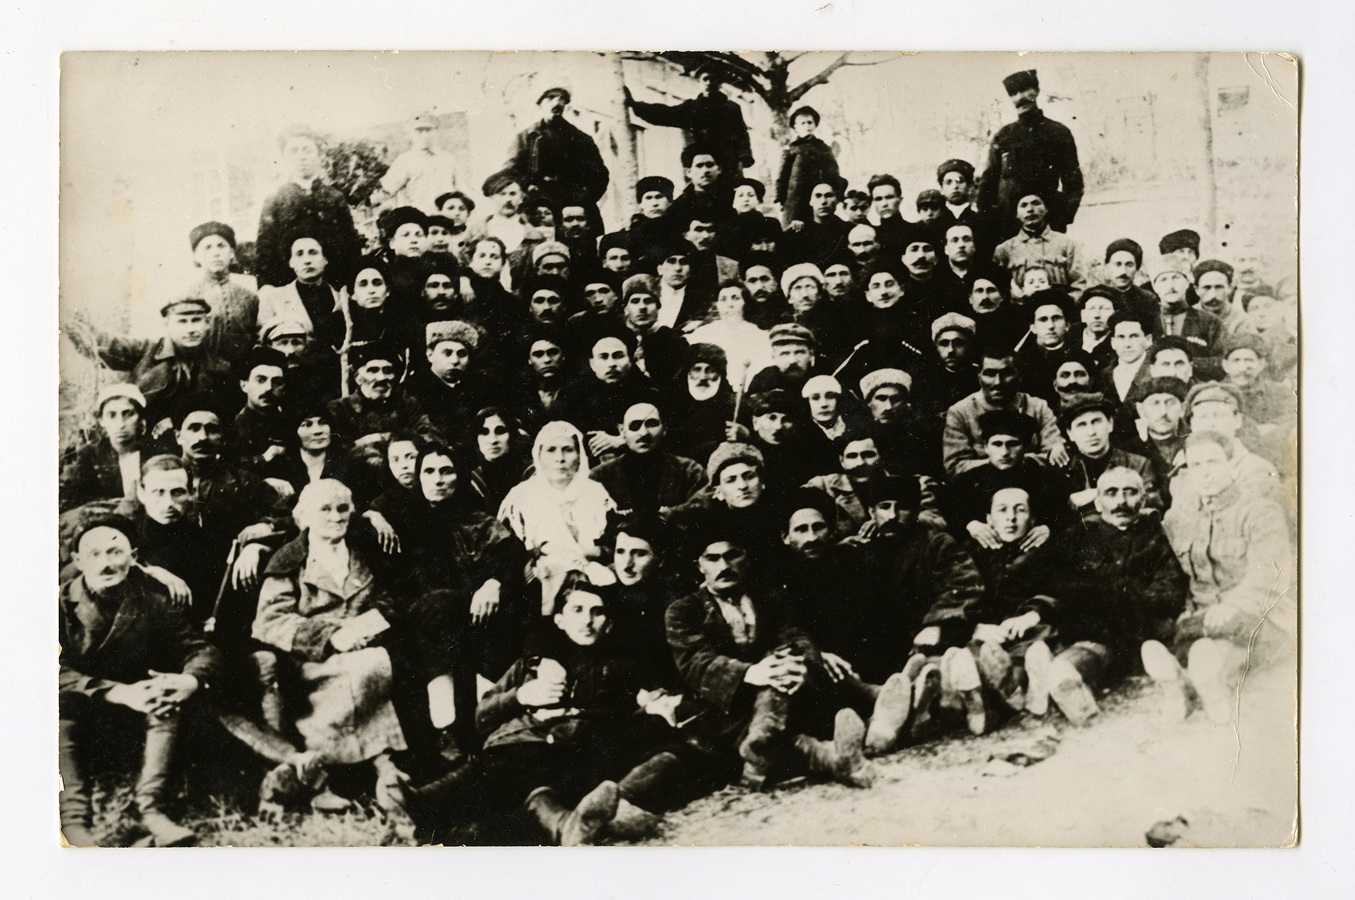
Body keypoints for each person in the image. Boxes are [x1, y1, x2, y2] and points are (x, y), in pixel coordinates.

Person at [252, 480, 446, 817]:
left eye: (342, 508)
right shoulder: (290, 562)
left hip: (365, 647)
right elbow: (270, 622)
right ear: (305, 517)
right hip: (312, 659)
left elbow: (391, 599)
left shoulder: (364, 551)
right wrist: (330, 637)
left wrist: (367, 627)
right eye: (324, 509)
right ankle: (358, 772)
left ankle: (371, 773)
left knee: (375, 664)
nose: (335, 516)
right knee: (356, 673)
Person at [665, 520, 873, 792]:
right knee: (771, 694)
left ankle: (765, 753)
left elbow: (794, 634)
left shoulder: (767, 596)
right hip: (726, 706)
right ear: (699, 565)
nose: (724, 566)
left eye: (732, 555)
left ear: (746, 558)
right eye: (712, 558)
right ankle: (833, 755)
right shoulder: (683, 610)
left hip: (785, 684)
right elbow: (695, 661)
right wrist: (752, 673)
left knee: (812, 678)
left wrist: (795, 662)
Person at [476, 571, 682, 844]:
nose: (587, 621)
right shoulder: (533, 664)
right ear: (560, 620)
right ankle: (565, 826)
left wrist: (653, 705)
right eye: (577, 610)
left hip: (593, 755)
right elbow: (482, 717)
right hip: (540, 753)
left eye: (597, 612)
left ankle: (617, 806)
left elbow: (647, 699)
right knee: (515, 765)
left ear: (608, 623)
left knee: (666, 738)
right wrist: (521, 695)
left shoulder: (621, 663)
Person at [60, 515, 224, 847]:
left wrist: (188, 680)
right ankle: (75, 821)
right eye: (94, 554)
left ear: (133, 557)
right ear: (77, 560)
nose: (106, 563)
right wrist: (118, 692)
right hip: (87, 711)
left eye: (115, 552)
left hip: (140, 717)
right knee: (58, 719)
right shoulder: (57, 605)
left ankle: (151, 808)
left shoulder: (153, 601)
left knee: (166, 699)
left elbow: (200, 649)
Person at [1017, 466, 1189, 724]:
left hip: (1146, 631)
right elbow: (1057, 584)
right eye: (1111, 493)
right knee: (1069, 665)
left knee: (1156, 650)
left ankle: (1176, 683)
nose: (1121, 501)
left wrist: (1115, 601)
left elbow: (1169, 588)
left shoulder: (1157, 535)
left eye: (1130, 492)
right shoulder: (1078, 536)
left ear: (1143, 499)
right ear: (1098, 502)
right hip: (1098, 636)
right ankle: (1073, 694)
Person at [1148, 432, 1294, 724]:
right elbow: (1176, 575)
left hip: (1257, 614)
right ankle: (1194, 679)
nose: (1204, 471)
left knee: (1223, 640)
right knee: (1193, 637)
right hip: (1201, 618)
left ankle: (1198, 682)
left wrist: (1234, 604)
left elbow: (1270, 572)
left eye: (1213, 462)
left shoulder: (1259, 511)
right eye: (1195, 464)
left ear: (1231, 464)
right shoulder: (1180, 517)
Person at [67, 296, 233, 438]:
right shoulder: (147, 351)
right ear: (167, 324)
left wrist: (174, 421)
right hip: (145, 439)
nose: (190, 329)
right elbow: (104, 345)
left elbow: (220, 415)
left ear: (207, 323)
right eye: (182, 321)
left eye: (196, 321)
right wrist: (72, 322)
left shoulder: (220, 368)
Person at [498, 420, 618, 614]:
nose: (560, 458)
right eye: (551, 450)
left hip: (595, 583)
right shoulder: (520, 497)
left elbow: (614, 543)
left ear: (580, 455)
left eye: (568, 450)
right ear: (538, 455)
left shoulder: (597, 493)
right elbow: (509, 553)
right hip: (538, 585)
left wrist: (595, 552)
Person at [977, 69, 1084, 237]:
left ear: (1037, 91)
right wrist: (990, 220)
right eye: (1013, 93)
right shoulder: (1003, 136)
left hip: (1050, 226)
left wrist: (1063, 215)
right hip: (1009, 229)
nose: (1019, 97)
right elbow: (987, 184)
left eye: (1025, 90)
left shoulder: (1058, 133)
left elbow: (1073, 182)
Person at [256, 126, 362, 289]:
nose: (301, 157)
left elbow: (351, 246)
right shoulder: (275, 200)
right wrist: (267, 290)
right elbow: (265, 251)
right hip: (288, 288)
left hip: (333, 285)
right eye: (294, 151)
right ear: (284, 158)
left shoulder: (334, 198)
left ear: (319, 157)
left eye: (307, 150)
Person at [943, 409, 1073, 540]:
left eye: (1013, 444)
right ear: (986, 447)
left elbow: (1066, 513)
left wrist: (1049, 528)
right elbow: (948, 511)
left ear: (1026, 447)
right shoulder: (968, 481)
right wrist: (971, 524)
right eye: (997, 444)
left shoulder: (1044, 479)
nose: (1004, 452)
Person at [943, 347, 1068, 476]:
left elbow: (1055, 454)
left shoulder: (1037, 407)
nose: (998, 382)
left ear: (1020, 376)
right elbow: (955, 466)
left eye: (1007, 373)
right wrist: (1005, 462)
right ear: (979, 377)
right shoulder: (960, 412)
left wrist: (1020, 461)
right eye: (990, 374)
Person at [625, 63, 754, 180]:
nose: (709, 82)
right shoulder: (692, 108)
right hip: (700, 163)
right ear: (700, 82)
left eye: (713, 79)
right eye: (705, 79)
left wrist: (742, 160)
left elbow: (742, 134)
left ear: (720, 83)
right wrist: (635, 105)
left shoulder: (731, 108)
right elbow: (666, 114)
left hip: (728, 163)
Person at [505, 85, 609, 220]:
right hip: (537, 208)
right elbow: (510, 173)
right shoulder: (525, 137)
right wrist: (527, 188)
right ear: (540, 102)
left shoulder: (581, 139)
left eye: (562, 98)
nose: (557, 103)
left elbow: (600, 175)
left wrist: (584, 199)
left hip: (573, 211)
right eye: (551, 97)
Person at [589, 401, 707, 516]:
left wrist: (669, 514)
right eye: (635, 426)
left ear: (664, 429)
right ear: (622, 431)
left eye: (652, 424)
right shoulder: (601, 475)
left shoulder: (689, 471)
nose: (644, 433)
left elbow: (702, 506)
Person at [1057, 392, 1163, 517]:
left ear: (1110, 424)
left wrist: (1099, 493)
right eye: (1082, 425)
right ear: (1070, 433)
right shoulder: (1062, 467)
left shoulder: (1138, 464)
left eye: (1096, 422)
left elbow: (1153, 508)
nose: (1091, 432)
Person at [61, 383, 155, 512]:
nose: (120, 424)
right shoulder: (90, 456)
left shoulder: (154, 453)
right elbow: (73, 500)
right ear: (101, 420)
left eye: (128, 414)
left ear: (140, 419)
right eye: (112, 415)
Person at [404, 319, 497, 441]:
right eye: (447, 353)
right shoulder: (411, 389)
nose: (455, 361)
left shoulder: (481, 388)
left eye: (462, 354)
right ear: (430, 355)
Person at [185, 221, 259, 366]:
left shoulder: (249, 296)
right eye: (207, 247)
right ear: (196, 257)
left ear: (231, 253)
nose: (216, 253)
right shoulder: (189, 296)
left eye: (221, 246)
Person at [992, 186, 1086, 298]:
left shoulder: (1067, 244)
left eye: (1036, 203)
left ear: (1046, 209)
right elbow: (999, 289)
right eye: (1023, 205)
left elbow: (1079, 287)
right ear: (1016, 214)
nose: (1030, 209)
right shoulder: (1004, 250)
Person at [257, 235, 345, 354]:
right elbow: (263, 346)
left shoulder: (342, 298)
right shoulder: (273, 298)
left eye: (313, 253)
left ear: (325, 259)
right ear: (291, 262)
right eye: (299, 254)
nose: (307, 260)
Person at [688, 281, 773, 388]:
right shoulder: (702, 333)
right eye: (723, 299)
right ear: (717, 305)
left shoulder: (759, 335)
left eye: (735, 298)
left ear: (745, 303)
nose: (730, 304)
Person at [377, 111, 460, 213]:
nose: (424, 135)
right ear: (409, 134)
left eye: (428, 130)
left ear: (435, 132)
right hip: (416, 222)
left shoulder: (448, 159)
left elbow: (460, 188)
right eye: (419, 131)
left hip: (444, 221)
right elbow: (386, 191)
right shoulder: (404, 160)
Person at [775, 105, 841, 229]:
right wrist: (780, 198)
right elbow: (782, 177)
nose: (807, 126)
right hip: (794, 199)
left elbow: (833, 173)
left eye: (810, 122)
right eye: (802, 123)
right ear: (795, 127)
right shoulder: (791, 149)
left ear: (815, 125)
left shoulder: (823, 148)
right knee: (793, 231)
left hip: (818, 199)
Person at [1152, 267, 1224, 377]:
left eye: (1176, 278)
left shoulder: (1209, 321)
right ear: (1154, 287)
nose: (1171, 285)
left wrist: (1188, 364)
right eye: (1163, 280)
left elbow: (1223, 359)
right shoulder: (1145, 321)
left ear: (1186, 283)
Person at [229, 347, 291, 472]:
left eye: (277, 382)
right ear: (244, 385)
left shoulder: (291, 425)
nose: (268, 388)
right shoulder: (232, 428)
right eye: (261, 380)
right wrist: (264, 458)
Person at [464, 407, 531, 516]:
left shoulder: (531, 472)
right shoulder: (472, 480)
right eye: (484, 432)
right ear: (476, 438)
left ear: (512, 434)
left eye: (500, 431)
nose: (493, 440)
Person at [1096, 239, 1160, 329]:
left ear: (1137, 268)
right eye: (1118, 264)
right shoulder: (1093, 295)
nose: (1123, 272)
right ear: (1107, 266)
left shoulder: (1147, 299)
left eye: (1129, 265)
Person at [1193, 259, 1260, 339]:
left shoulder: (1243, 322)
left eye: (1219, 287)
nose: (1213, 295)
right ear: (1196, 290)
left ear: (1230, 288)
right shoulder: (1186, 317)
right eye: (1207, 288)